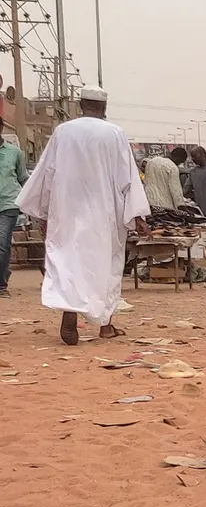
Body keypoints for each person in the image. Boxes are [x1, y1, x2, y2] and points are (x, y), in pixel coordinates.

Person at [16, 85, 150, 344]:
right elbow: (128, 178)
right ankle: (105, 325)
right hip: (105, 213)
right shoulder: (114, 134)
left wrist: (43, 213)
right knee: (106, 266)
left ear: (80, 105)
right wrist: (138, 216)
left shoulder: (63, 132)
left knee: (68, 262)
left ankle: (70, 310)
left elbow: (47, 173)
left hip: (66, 211)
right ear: (104, 109)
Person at [0, 118, 28, 298]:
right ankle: (3, 276)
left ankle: (1, 286)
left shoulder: (15, 152)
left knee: (2, 243)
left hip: (8, 204)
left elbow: (23, 178)